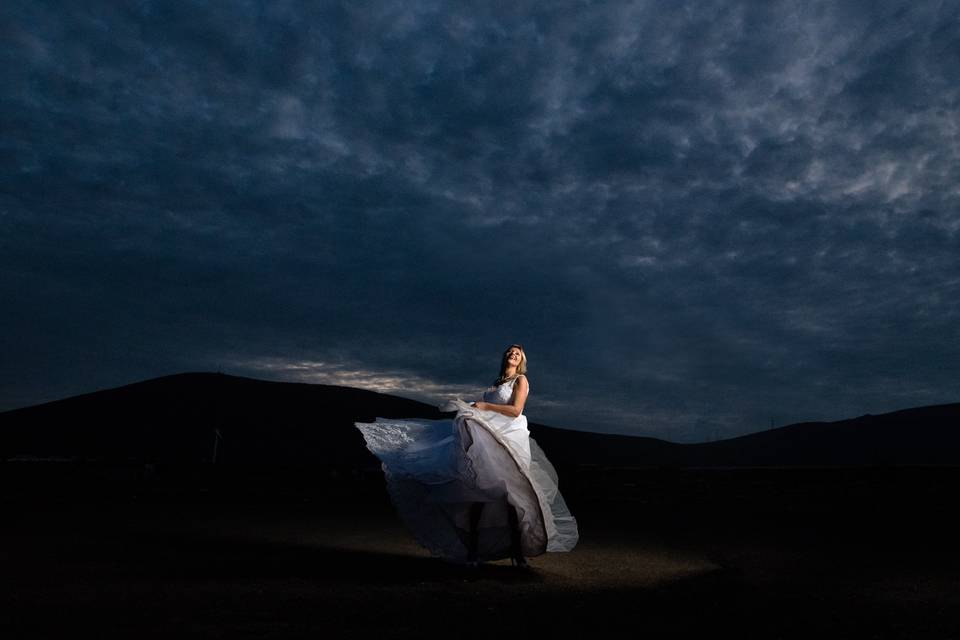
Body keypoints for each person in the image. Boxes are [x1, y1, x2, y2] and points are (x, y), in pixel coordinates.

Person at [354, 344, 579, 569]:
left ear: (521, 360)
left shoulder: (520, 380)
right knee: (476, 495)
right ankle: (473, 553)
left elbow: (515, 410)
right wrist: (475, 410)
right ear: (505, 357)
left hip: (509, 437)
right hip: (488, 436)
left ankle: (517, 554)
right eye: (510, 351)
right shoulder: (496, 383)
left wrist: (483, 406)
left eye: (517, 353)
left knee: (512, 500)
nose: (513, 354)